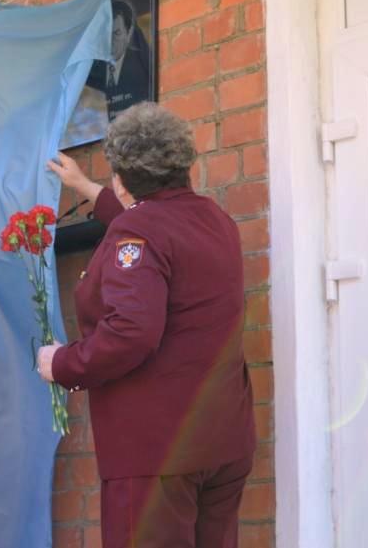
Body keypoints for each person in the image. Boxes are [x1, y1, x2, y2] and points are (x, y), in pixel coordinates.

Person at [39, 103, 255, 548]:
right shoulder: (215, 220)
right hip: (223, 440)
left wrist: (61, 364)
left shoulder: (137, 230)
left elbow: (130, 333)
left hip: (156, 447)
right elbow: (155, 227)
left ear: (123, 178)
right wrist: (84, 186)